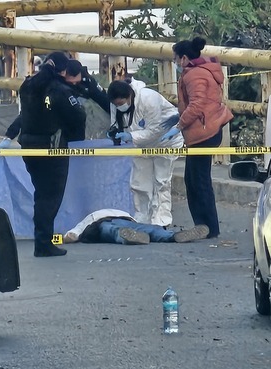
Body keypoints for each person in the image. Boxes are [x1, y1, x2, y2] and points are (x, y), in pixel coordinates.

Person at [12, 55, 108, 257]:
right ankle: (43, 243)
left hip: (28, 146)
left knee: (41, 195)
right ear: (63, 71)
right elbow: (77, 116)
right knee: (50, 197)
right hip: (52, 148)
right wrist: (75, 140)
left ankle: (42, 240)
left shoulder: (28, 85)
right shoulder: (59, 89)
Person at [162, 37, 234, 238]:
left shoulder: (194, 75)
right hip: (204, 130)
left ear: (184, 58)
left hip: (204, 132)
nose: (175, 62)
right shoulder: (197, 71)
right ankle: (204, 226)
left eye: (175, 58)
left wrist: (179, 125)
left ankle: (208, 227)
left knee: (198, 181)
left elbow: (197, 104)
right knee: (193, 180)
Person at [107, 79, 184, 227]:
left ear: (129, 95)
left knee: (161, 181)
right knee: (139, 182)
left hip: (165, 141)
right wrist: (114, 132)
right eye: (116, 104)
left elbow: (155, 131)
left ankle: (161, 221)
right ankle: (142, 218)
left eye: (121, 103)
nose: (119, 107)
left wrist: (131, 136)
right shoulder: (115, 104)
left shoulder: (148, 98)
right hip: (140, 143)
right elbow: (115, 123)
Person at [63, 209, 210, 245]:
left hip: (102, 223)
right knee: (151, 229)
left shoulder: (89, 218)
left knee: (113, 231)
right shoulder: (121, 211)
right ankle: (173, 235)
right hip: (126, 219)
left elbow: (72, 235)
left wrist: (63, 238)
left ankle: (128, 236)